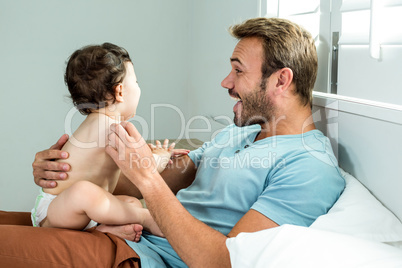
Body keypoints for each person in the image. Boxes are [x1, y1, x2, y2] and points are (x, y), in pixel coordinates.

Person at [0, 18, 345, 268]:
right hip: (115, 227)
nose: (225, 81)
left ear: (282, 80)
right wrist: (65, 176)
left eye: (238, 71)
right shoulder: (241, 132)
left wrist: (146, 181)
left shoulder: (309, 166)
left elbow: (224, 262)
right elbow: (154, 180)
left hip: (136, 254)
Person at [31, 43, 188, 236]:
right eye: (136, 83)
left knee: (129, 202)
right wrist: (162, 155)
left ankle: (104, 230)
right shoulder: (109, 128)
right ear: (120, 91)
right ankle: (145, 217)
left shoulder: (100, 124)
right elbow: (147, 168)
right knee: (84, 192)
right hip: (57, 210)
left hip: (85, 213)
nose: (139, 88)